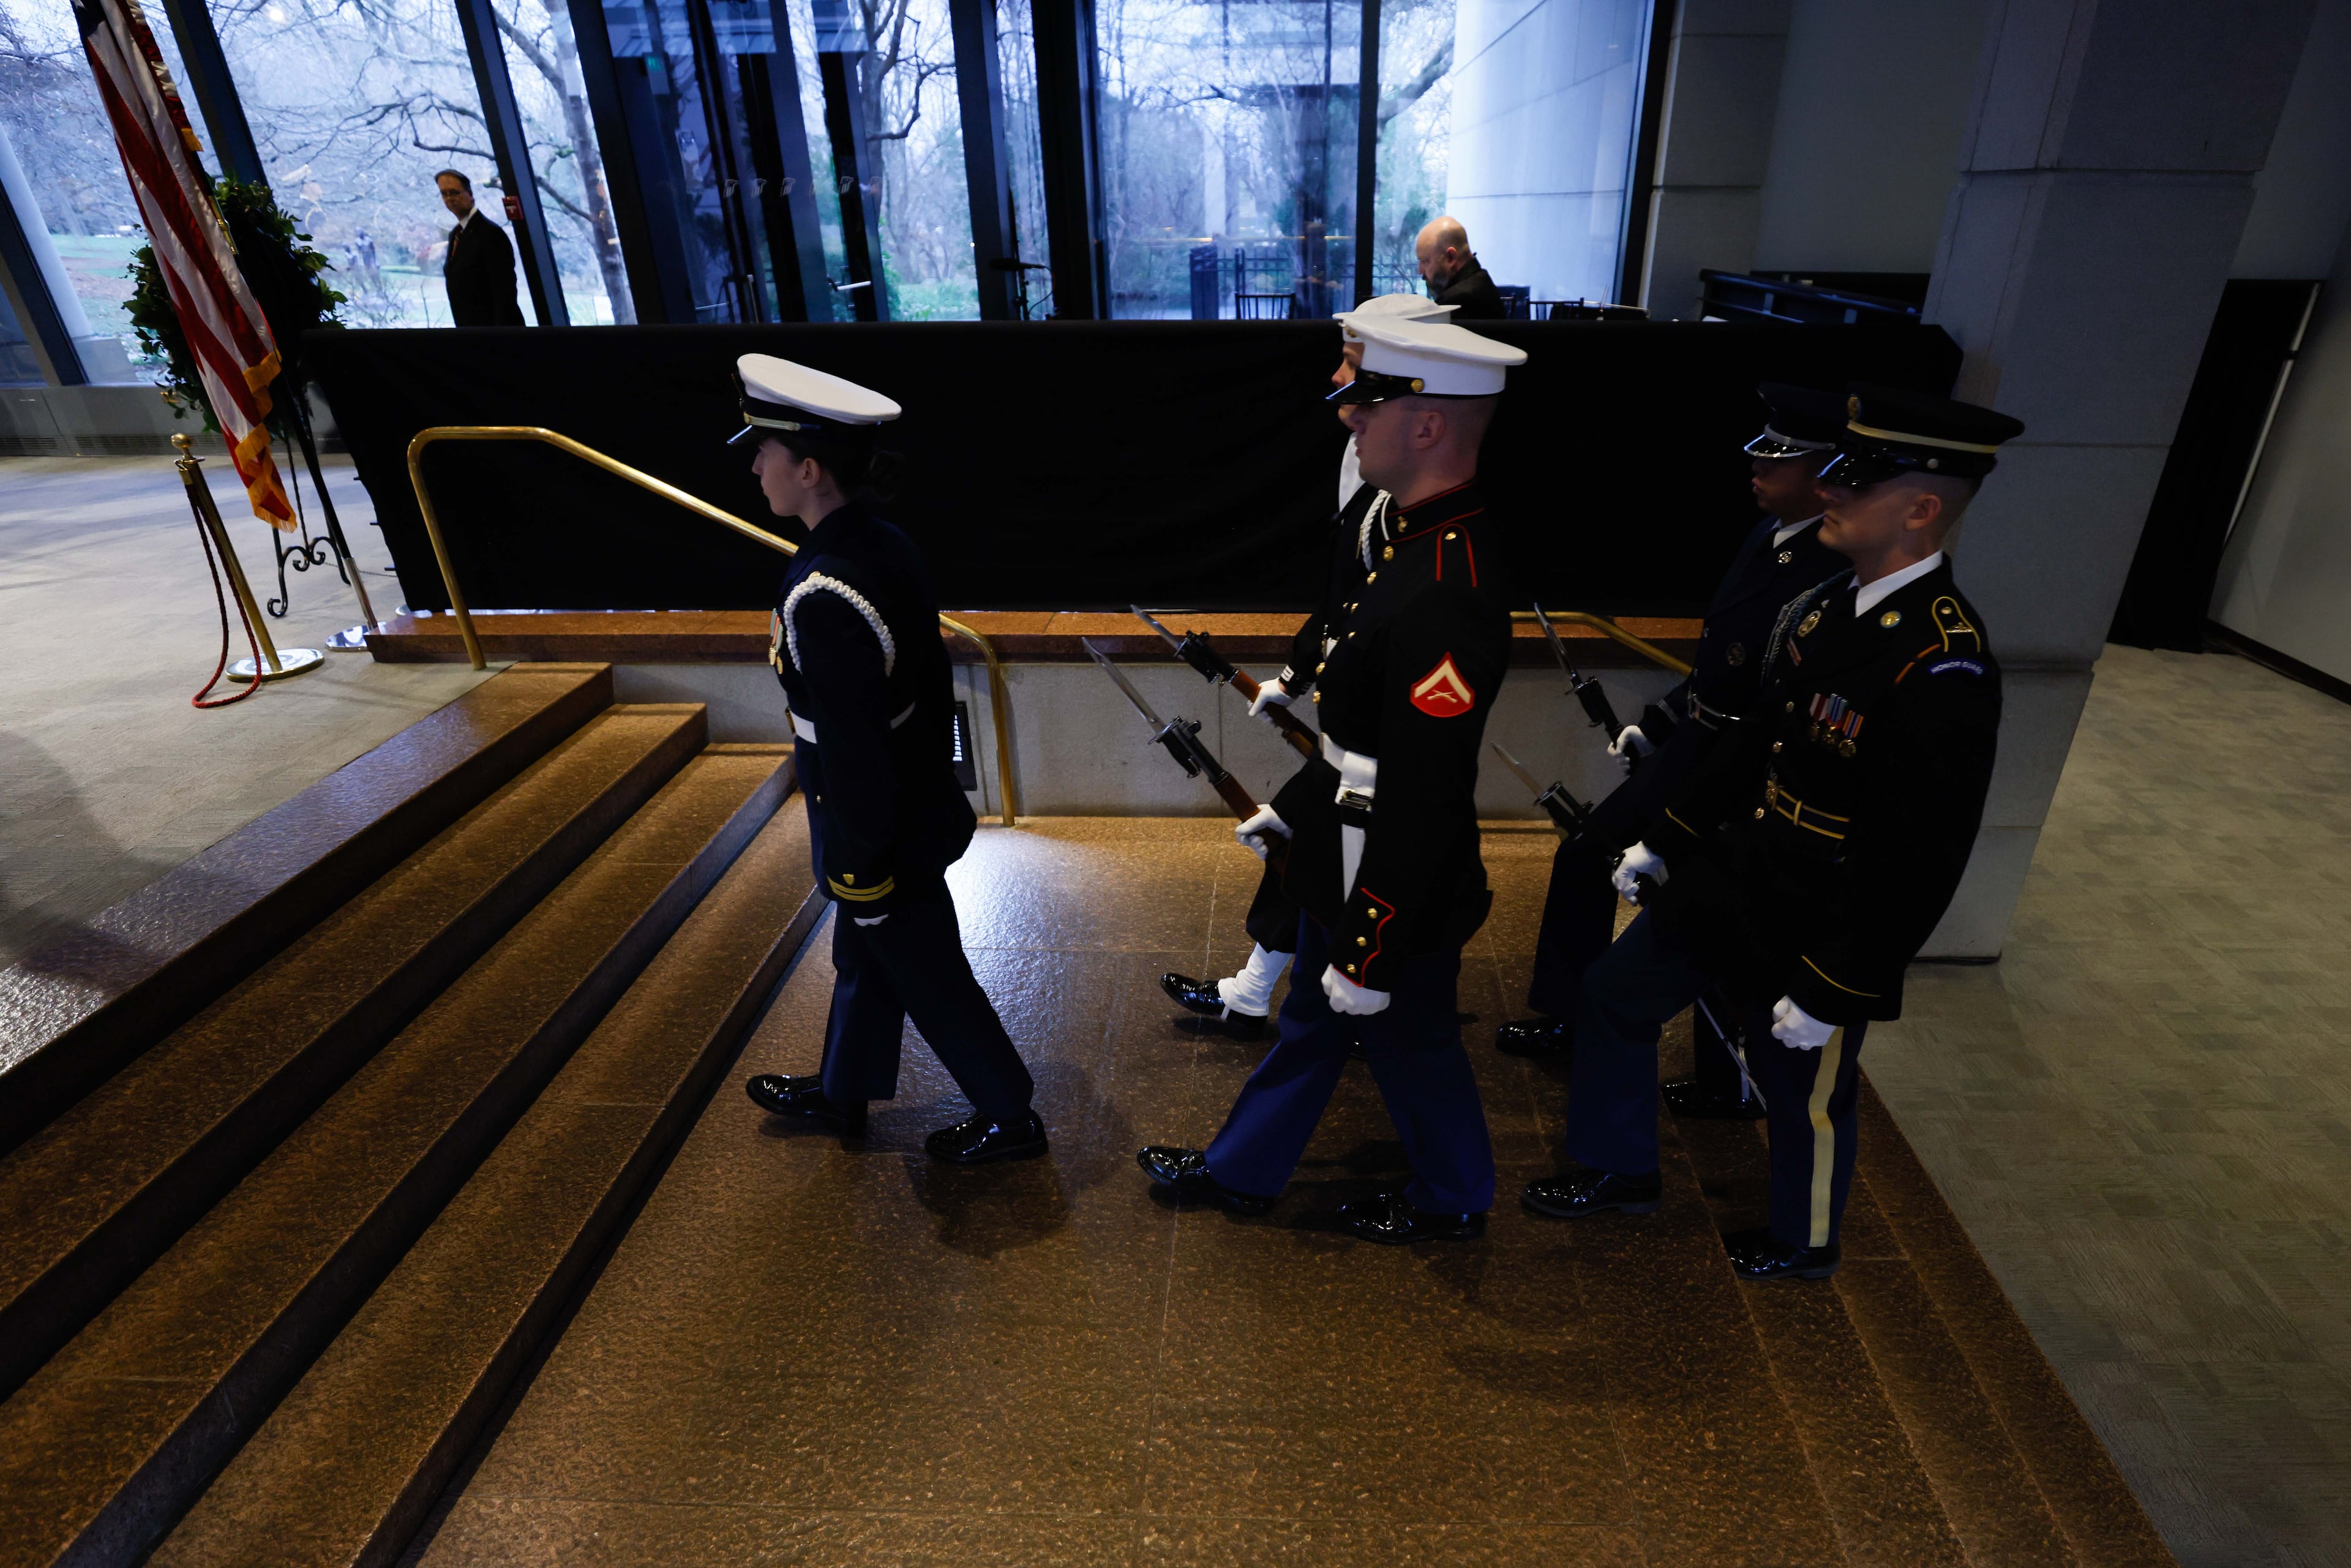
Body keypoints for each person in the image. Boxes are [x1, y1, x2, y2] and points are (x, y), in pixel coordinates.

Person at [1522, 385, 2023, 1281]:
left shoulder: (1941, 657)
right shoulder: (1829, 605)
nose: (1829, 488)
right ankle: (1621, 1165)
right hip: (1744, 863)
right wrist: (1666, 837)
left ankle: (1804, 1238)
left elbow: (1920, 853)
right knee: (1614, 993)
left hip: (1824, 903)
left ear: (1920, 510)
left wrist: (1838, 984)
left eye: (1856, 480)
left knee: (1804, 1086)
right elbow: (1756, 737)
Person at [1137, 316, 1526, 1244]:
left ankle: (1454, 1196)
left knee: (1409, 1034)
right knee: (1313, 1013)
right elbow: (1356, 739)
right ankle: (1245, 1167)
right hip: (1346, 835)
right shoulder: (1403, 537)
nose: (1350, 417)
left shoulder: (1448, 583)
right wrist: (1300, 815)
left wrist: (1375, 939)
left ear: (1427, 424)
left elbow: (1423, 789)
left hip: (1394, 864)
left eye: (1369, 403)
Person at [1496, 384, 1849, 1127]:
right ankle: (1567, 1012)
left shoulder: (1827, 569)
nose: (1758, 467)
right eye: (1761, 452)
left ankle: (1728, 1081)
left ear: (1824, 472)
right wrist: (1657, 722)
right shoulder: (1770, 535)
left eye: (1779, 458)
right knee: (1587, 854)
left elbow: (1769, 693)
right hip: (1694, 740)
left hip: (1737, 766)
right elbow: (1722, 657)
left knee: (1706, 913)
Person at [733, 354, 1047, 1163]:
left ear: (809, 469)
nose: (756, 465)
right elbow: (925, 690)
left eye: (765, 450)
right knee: (864, 954)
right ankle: (844, 1091)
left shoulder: (824, 591)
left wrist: (861, 863)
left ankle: (1010, 1116)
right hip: (912, 794)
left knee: (923, 966)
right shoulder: (881, 544)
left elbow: (853, 746)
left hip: (875, 818)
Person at [1158, 293, 1457, 1039]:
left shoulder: (1418, 507)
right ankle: (1263, 991)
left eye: (1351, 363)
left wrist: (1318, 707)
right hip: (1350, 739)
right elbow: (1343, 595)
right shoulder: (1369, 462)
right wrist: (1295, 677)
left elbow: (1372, 615)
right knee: (1307, 861)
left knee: (1341, 876)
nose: (1335, 379)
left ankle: (1322, 1002)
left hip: (1377, 753)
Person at [435, 169, 525, 327]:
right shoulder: (456, 234)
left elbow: (504, 291)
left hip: (493, 331)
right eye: (444, 194)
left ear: (470, 195)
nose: (449, 199)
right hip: (470, 329)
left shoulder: (490, 233)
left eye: (455, 193)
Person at [1414, 217, 1505, 321]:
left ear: (1451, 258)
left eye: (1425, 261)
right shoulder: (1482, 280)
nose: (1420, 271)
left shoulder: (1457, 301)